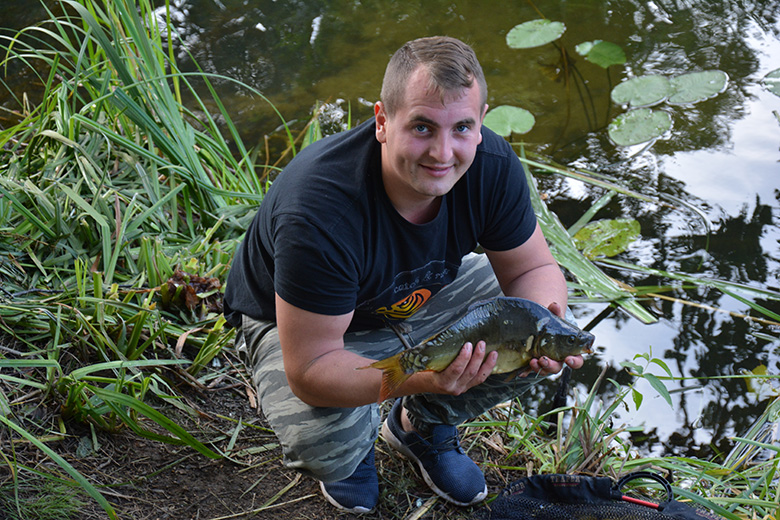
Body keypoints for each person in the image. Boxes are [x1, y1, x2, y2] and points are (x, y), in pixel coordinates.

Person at [223, 35, 584, 513]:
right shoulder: (319, 210)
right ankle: (354, 452)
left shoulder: (492, 166)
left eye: (462, 127)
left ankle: (421, 427)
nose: (443, 152)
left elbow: (533, 267)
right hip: (303, 327)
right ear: (382, 121)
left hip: (410, 295)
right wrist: (423, 377)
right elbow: (310, 371)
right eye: (421, 127)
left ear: (480, 123)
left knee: (539, 321)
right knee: (328, 445)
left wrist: (541, 328)